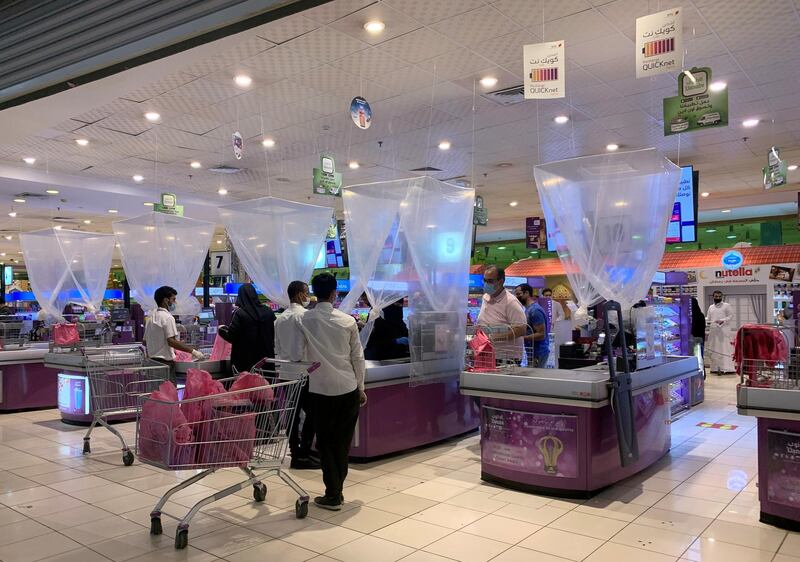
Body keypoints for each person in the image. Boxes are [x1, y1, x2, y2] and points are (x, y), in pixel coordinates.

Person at [300, 272, 366, 511]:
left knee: (325, 442)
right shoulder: (348, 321)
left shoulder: (305, 320)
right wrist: (361, 387)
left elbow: (298, 353)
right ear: (334, 292)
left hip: (319, 390)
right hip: (347, 388)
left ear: (314, 293)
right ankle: (337, 490)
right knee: (342, 442)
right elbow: (357, 358)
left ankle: (333, 493)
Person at [274, 280, 319, 470]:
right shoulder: (306, 317)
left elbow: (277, 346)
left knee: (292, 413)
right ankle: (304, 452)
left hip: (285, 372)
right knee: (314, 413)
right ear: (300, 295)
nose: (308, 296)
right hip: (304, 372)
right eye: (306, 292)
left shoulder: (280, 318)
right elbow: (310, 346)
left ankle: (296, 451)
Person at [144, 286, 204, 377]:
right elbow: (171, 341)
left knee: (155, 390)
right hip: (164, 364)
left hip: (152, 364)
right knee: (168, 390)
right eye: (173, 299)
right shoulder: (168, 317)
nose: (175, 302)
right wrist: (193, 351)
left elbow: (144, 342)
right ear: (165, 300)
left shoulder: (151, 318)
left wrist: (163, 348)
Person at [218, 283, 276, 373]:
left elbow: (232, 336)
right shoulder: (268, 311)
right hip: (266, 361)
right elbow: (272, 333)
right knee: (266, 385)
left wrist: (221, 330)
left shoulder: (239, 313)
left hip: (245, 361)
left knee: (248, 386)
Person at [477, 266, 528, 361]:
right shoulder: (486, 297)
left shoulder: (511, 302)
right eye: (485, 280)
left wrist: (494, 338)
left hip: (506, 358)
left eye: (490, 281)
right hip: (487, 354)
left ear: (501, 281)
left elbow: (521, 329)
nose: (486, 284)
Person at [515, 283, 549, 367]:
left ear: (527, 293)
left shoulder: (535, 311)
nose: (517, 297)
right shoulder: (528, 310)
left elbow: (541, 334)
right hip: (533, 351)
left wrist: (522, 338)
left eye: (519, 294)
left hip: (538, 352)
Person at [706, 290, 734, 374]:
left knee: (725, 349)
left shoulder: (727, 306)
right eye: (716, 296)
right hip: (714, 332)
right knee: (714, 349)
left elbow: (731, 316)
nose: (718, 298)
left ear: (722, 297)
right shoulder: (711, 307)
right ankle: (715, 368)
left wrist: (722, 321)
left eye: (719, 296)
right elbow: (708, 318)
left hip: (724, 332)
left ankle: (727, 369)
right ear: (713, 297)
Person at [691, 297, 706, 374]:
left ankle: (696, 375)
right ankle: (702, 374)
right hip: (701, 339)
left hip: (694, 340)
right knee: (700, 357)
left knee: (695, 357)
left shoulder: (692, 316)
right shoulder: (701, 315)